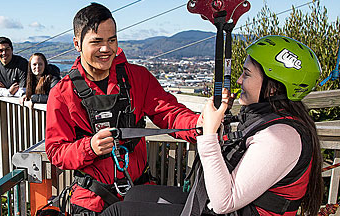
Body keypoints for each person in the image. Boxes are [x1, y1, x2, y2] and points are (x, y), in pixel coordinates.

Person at [100, 35, 324, 216]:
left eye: (246, 74)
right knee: (135, 195)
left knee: (118, 212)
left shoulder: (281, 138)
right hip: (231, 207)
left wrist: (208, 135)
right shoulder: (269, 121)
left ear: (273, 87)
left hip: (225, 207)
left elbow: (223, 203)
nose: (238, 80)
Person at [45, 3, 201, 215]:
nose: (106, 49)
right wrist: (89, 147)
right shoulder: (63, 94)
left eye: (112, 40)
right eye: (96, 41)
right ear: (77, 44)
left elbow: (169, 113)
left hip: (139, 192)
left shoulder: (137, 78)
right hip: (93, 199)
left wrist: (198, 125)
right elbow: (56, 152)